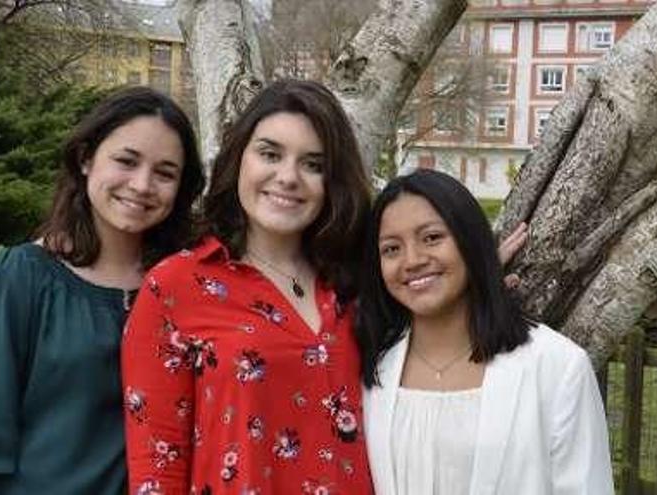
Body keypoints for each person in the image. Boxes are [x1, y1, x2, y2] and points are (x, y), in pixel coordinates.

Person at [0, 86, 206, 494]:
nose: (142, 185)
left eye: (165, 173)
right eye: (126, 161)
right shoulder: (21, 278)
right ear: (86, 158)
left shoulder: (193, 288)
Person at [122, 80, 375, 494]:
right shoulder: (175, 287)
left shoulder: (358, 281)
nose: (288, 177)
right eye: (270, 154)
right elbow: (157, 466)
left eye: (313, 164)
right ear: (239, 158)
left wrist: (473, 274)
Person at [356, 169, 613, 495]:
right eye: (391, 248)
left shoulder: (558, 367)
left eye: (432, 238)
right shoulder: (371, 370)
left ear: (470, 242)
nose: (413, 260)